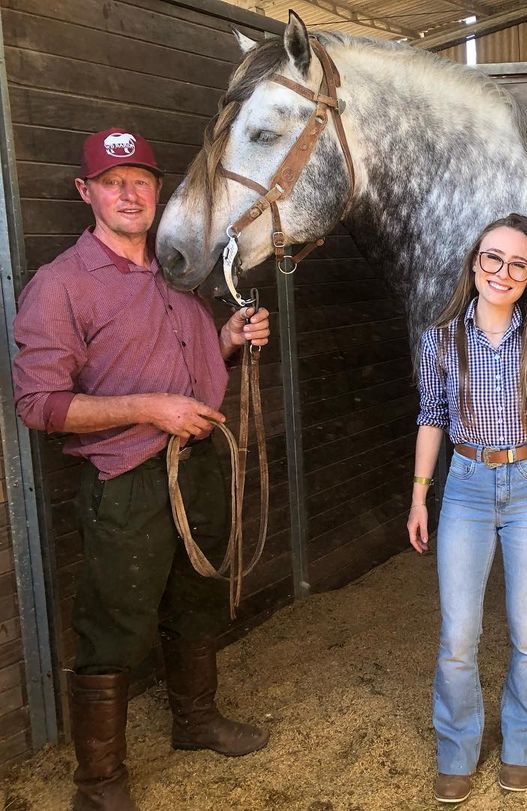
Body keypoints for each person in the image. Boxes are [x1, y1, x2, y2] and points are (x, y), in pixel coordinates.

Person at [12, 128, 272, 811]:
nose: (130, 193)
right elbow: (39, 402)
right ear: (85, 192)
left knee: (196, 600)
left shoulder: (177, 269)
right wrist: (149, 409)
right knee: (113, 626)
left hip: (198, 464)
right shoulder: (59, 286)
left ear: (157, 190)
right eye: (113, 180)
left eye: (142, 180)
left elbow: (185, 360)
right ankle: (99, 784)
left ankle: (196, 721)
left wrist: (230, 340)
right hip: (126, 480)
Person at [407, 213, 527, 804]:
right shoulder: (440, 338)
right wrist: (419, 495)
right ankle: (457, 749)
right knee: (458, 633)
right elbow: (431, 415)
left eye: (517, 264)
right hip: (468, 485)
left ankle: (523, 744)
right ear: (475, 264)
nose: (503, 272)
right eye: (493, 259)